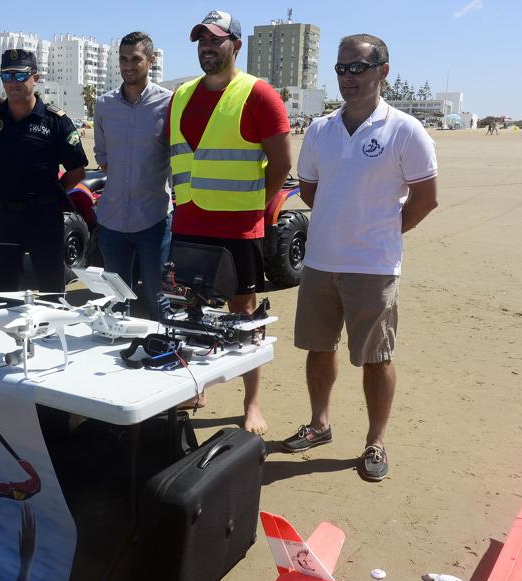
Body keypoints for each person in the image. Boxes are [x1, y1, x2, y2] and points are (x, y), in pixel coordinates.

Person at [279, 33, 439, 482]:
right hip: (320, 262)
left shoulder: (404, 129)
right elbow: (309, 189)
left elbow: (425, 198)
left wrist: (384, 230)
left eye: (359, 68)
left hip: (373, 266)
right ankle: (319, 424)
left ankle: (375, 441)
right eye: (341, 69)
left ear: (383, 71)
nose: (348, 77)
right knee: (317, 347)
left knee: (376, 357)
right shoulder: (320, 130)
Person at [166, 10, 292, 434]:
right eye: (201, 39)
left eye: (216, 40)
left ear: (235, 46)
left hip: (238, 229)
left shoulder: (258, 94)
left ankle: (251, 402)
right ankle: (196, 386)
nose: (207, 46)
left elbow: (281, 163)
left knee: (245, 316)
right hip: (189, 223)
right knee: (190, 312)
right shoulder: (181, 95)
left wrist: (254, 205)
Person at [0, 49, 88, 292]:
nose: (13, 82)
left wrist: (50, 191)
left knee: (51, 286)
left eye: (20, 75)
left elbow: (77, 170)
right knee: (3, 287)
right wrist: (5, 184)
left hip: (44, 216)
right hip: (4, 216)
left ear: (35, 77)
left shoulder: (55, 120)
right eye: (7, 76)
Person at [93, 31, 173, 319]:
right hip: (112, 221)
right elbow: (102, 157)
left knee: (158, 299)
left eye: (135, 59)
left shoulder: (169, 103)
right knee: (116, 302)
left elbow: (177, 156)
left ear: (150, 61)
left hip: (154, 220)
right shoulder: (104, 105)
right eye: (123, 59)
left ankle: (163, 357)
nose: (128, 65)